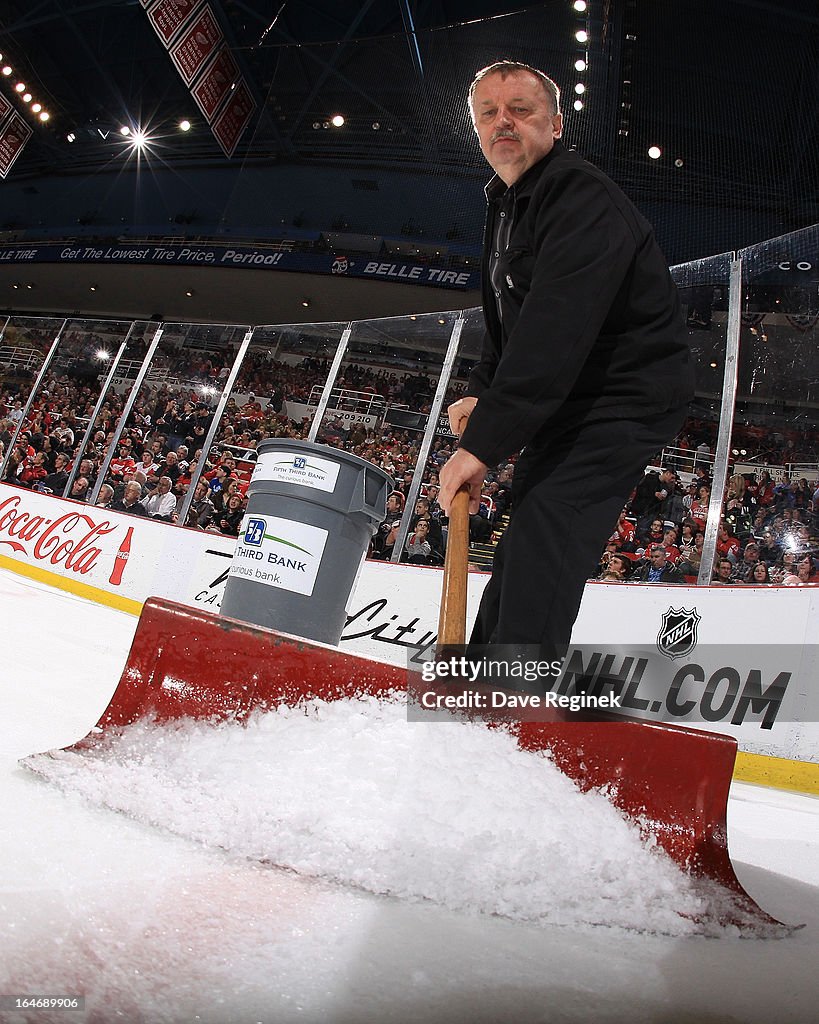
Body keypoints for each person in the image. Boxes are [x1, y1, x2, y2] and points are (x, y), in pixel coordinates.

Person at [438, 61, 693, 658]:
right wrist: (481, 388)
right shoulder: (506, 202)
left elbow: (557, 325)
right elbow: (509, 321)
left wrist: (483, 445)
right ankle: (480, 690)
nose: (503, 122)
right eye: (488, 114)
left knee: (546, 529)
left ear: (553, 125)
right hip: (571, 396)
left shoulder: (578, 194)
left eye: (520, 110)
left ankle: (512, 708)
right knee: (523, 535)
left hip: (619, 396)